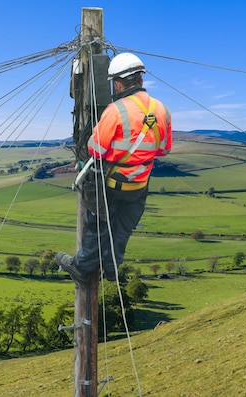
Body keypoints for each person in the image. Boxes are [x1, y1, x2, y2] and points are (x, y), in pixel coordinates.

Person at [57, 53, 172, 283]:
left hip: (112, 183)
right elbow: (163, 150)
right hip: (139, 184)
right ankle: (111, 268)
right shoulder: (162, 110)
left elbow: (96, 149)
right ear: (140, 79)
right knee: (122, 229)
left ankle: (80, 268)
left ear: (118, 82)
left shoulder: (116, 110)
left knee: (98, 224)